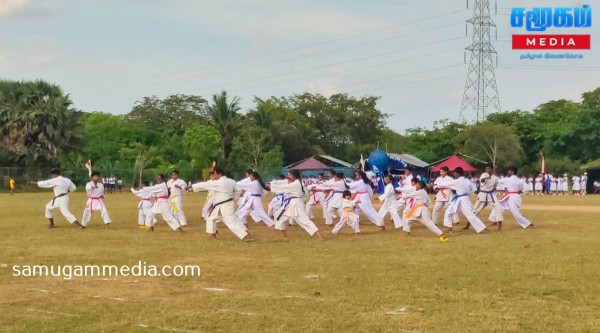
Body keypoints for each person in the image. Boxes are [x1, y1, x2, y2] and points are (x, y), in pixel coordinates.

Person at [188, 168, 253, 241]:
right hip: (222, 204)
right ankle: (213, 235)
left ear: (219, 174)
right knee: (210, 218)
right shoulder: (231, 181)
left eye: (215, 174)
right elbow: (238, 189)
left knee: (231, 221)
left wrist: (192, 186)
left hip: (225, 205)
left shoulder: (219, 183)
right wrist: (235, 197)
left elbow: (205, 185)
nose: (214, 176)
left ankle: (245, 236)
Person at [269, 169, 324, 240]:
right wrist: (273, 183)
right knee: (279, 217)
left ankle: (320, 236)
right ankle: (284, 237)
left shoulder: (296, 184)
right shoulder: (295, 182)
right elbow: (284, 182)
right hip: (290, 204)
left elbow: (284, 187)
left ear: (294, 176)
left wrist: (272, 185)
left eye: (290, 175)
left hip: (296, 204)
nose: (288, 177)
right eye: (288, 175)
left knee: (305, 220)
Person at [434, 167, 488, 234]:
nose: (454, 175)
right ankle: (449, 229)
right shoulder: (467, 181)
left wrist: (436, 184)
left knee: (469, 215)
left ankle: (483, 228)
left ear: (458, 173)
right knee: (448, 212)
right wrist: (467, 192)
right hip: (463, 198)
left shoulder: (457, 181)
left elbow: (447, 184)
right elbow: (474, 189)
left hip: (462, 199)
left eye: (454, 173)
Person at [470, 165, 503, 230]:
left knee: (498, 208)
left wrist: (494, 188)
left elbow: (495, 186)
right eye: (486, 169)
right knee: (476, 210)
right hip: (483, 194)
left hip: (491, 195)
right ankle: (467, 225)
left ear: (492, 169)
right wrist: (486, 178)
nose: (487, 170)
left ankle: (499, 227)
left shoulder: (495, 178)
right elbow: (481, 181)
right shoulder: (484, 175)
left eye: (489, 169)